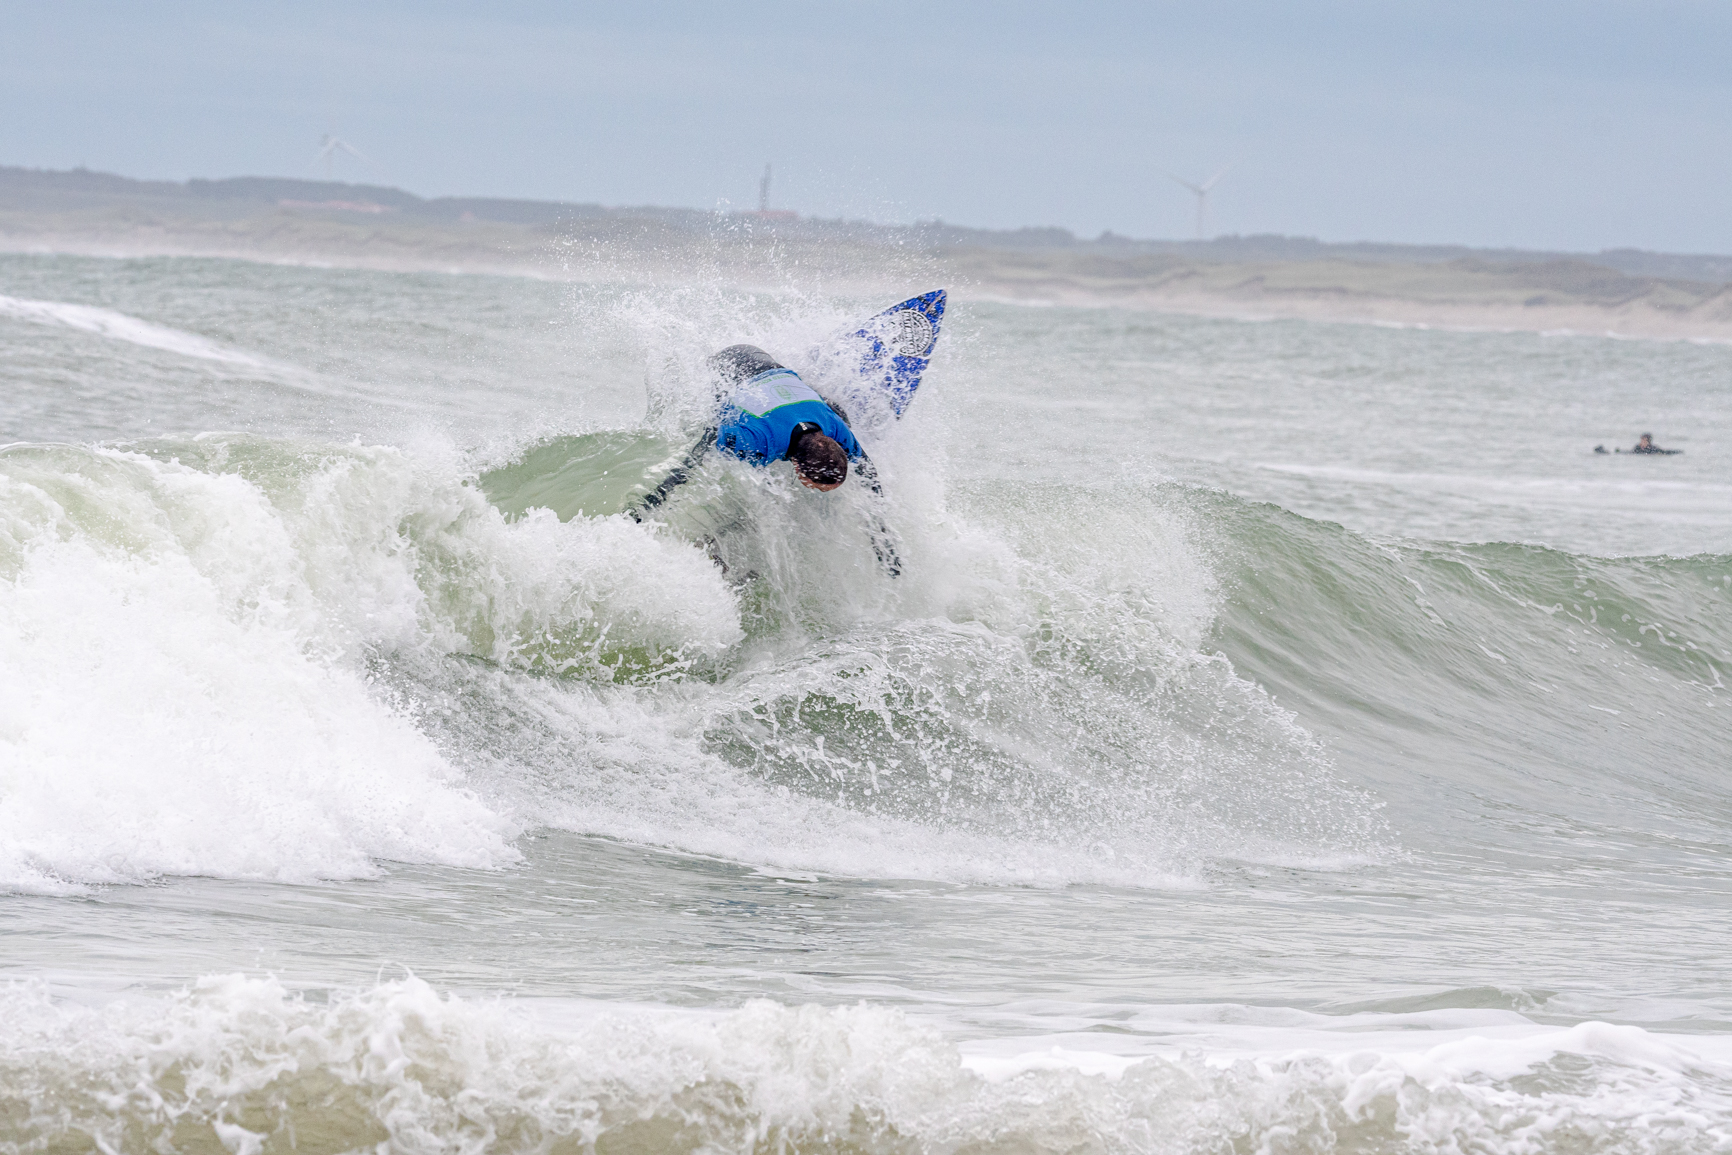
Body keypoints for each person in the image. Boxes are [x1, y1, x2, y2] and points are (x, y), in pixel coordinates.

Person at [628, 344, 900, 574]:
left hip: (762, 361)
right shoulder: (758, 441)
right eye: (817, 487)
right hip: (728, 366)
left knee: (838, 411)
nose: (818, 491)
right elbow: (707, 441)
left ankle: (804, 392)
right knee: (717, 420)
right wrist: (656, 497)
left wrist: (883, 544)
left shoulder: (836, 430)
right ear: (798, 468)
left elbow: (868, 472)